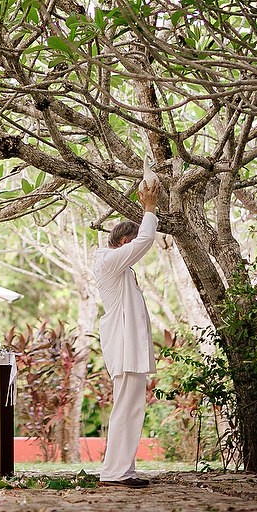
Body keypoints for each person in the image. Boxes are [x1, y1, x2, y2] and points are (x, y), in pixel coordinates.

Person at [94, 178, 161, 488]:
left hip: (129, 349)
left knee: (131, 409)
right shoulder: (109, 260)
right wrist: (149, 207)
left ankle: (122, 469)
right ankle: (116, 473)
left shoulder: (120, 267)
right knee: (126, 410)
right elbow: (145, 240)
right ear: (123, 243)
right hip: (124, 349)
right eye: (131, 246)